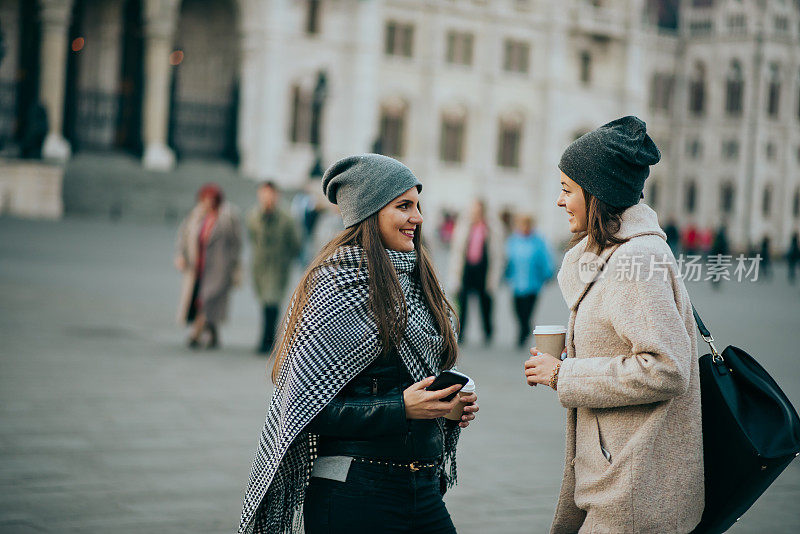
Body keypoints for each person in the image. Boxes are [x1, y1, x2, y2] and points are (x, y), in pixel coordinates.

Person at [238, 154, 479, 534]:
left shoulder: (417, 278)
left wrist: (442, 408)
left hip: (422, 489)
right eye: (404, 206)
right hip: (354, 494)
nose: (417, 217)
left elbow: (412, 386)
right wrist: (400, 408)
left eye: (418, 205)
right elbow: (302, 410)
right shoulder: (334, 286)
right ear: (369, 212)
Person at [523, 117, 703, 533]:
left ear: (596, 194)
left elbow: (667, 367)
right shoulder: (615, 254)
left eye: (567, 190)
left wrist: (565, 373)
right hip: (618, 475)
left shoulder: (634, 260)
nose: (559, 201)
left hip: (634, 485)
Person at [174, 183, 241, 349]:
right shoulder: (195, 216)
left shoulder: (227, 218)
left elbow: (236, 243)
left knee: (206, 300)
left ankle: (195, 334)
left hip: (219, 267)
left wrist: (233, 265)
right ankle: (213, 333)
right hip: (197, 266)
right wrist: (180, 255)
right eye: (205, 199)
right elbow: (183, 237)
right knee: (201, 300)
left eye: (212, 199)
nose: (208, 202)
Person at [247, 181, 301, 354]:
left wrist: (286, 259)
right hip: (260, 266)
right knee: (265, 301)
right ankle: (268, 338)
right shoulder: (253, 216)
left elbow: (295, 243)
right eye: (264, 194)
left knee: (272, 301)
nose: (267, 198)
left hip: (278, 266)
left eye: (270, 194)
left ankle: (267, 340)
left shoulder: (287, 218)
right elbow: (252, 237)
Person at [447, 199, 504, 344]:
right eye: (473, 210)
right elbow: (457, 250)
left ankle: (488, 332)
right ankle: (460, 332)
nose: (474, 213)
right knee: (462, 303)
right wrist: (454, 274)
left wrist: (495, 276)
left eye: (477, 210)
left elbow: (498, 253)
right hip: (466, 269)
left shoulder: (491, 227)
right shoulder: (464, 225)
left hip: (484, 270)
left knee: (486, 303)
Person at [505, 214, 554, 347]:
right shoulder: (513, 240)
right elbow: (507, 260)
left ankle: (523, 333)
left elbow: (545, 259)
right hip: (516, 284)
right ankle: (524, 328)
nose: (524, 227)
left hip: (533, 284)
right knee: (517, 311)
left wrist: (548, 273)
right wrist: (504, 274)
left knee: (527, 312)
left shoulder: (538, 241)